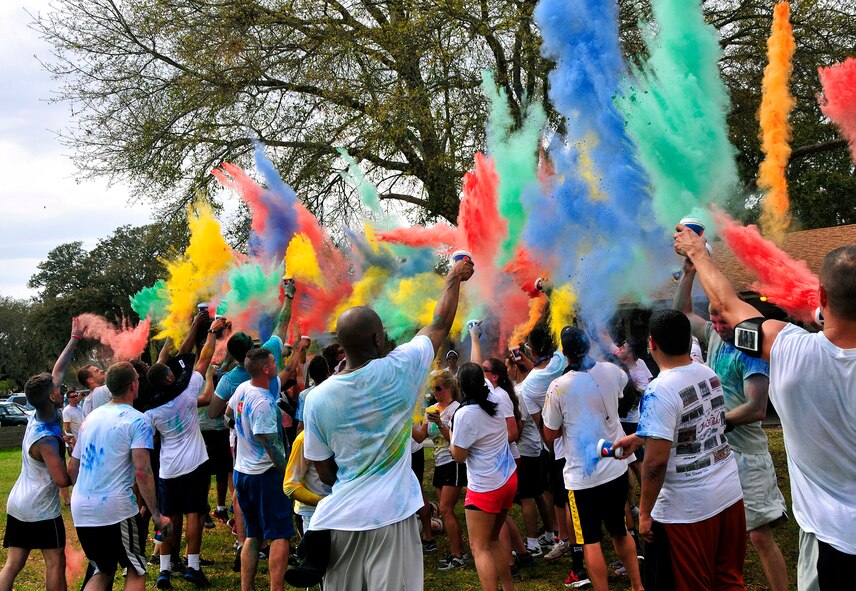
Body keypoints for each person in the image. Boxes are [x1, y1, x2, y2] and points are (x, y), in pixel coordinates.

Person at [674, 228, 856, 590]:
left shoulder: (789, 351)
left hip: (828, 539)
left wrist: (698, 253)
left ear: (823, 295)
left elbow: (728, 306)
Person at [301, 257, 473, 590]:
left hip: (339, 522)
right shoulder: (400, 370)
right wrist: (453, 277)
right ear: (379, 340)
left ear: (343, 345)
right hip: (392, 517)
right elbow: (439, 324)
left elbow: (323, 472)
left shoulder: (317, 398)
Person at [674, 257, 789, 591]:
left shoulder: (750, 351)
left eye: (722, 318)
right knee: (723, 530)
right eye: (712, 316)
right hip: (719, 453)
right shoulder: (713, 334)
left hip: (748, 457)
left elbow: (756, 408)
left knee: (759, 535)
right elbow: (681, 314)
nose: (717, 324)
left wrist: (716, 421)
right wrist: (688, 274)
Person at [616, 309, 746, 591]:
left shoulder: (658, 391)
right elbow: (696, 423)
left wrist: (645, 514)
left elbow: (655, 464)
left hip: (688, 510)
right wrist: (641, 437)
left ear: (652, 344)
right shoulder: (707, 373)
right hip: (729, 492)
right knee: (728, 580)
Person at [542, 327, 643, 591]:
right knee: (619, 530)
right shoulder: (612, 371)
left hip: (581, 477)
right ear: (588, 347)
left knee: (590, 540)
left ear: (565, 354)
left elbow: (550, 433)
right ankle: (637, 586)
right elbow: (625, 394)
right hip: (615, 469)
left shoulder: (558, 387)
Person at [70, 361, 171, 591]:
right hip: (116, 509)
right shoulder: (138, 420)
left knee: (103, 569)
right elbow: (142, 471)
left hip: (82, 508)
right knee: (136, 569)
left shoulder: (89, 419)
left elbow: (73, 469)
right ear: (133, 386)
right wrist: (157, 515)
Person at [0, 319, 82, 591]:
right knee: (55, 562)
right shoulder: (45, 437)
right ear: (51, 398)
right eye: (58, 390)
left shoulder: (41, 413)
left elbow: (57, 370)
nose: (62, 390)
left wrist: (74, 338)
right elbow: (62, 480)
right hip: (39, 509)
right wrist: (77, 452)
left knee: (14, 563)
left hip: (19, 503)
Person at [145, 314, 225, 589]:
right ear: (170, 376)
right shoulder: (188, 391)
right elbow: (203, 358)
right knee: (194, 514)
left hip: (168, 468)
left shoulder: (152, 411)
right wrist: (212, 331)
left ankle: (164, 571)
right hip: (195, 463)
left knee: (169, 517)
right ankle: (192, 566)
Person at [226, 347, 293, 591]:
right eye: (274, 361)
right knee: (279, 535)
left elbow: (228, 414)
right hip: (265, 476)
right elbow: (272, 447)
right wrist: (288, 475)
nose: (277, 363)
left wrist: (243, 438)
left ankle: (247, 588)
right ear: (266, 368)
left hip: (242, 473)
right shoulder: (263, 402)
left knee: (253, 534)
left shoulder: (244, 388)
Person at [450, 363, 517, 591]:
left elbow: (459, 456)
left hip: (485, 488)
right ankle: (509, 588)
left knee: (479, 548)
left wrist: (451, 435)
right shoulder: (495, 398)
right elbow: (475, 369)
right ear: (482, 380)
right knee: (493, 538)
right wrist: (474, 337)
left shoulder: (464, 414)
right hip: (508, 478)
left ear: (459, 386)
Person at [412, 370, 468, 570]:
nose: (435, 392)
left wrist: (441, 423)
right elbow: (420, 437)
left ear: (450, 388)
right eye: (433, 388)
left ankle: (457, 555)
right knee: (447, 512)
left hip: (453, 463)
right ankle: (459, 551)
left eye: (439, 388)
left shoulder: (457, 409)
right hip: (438, 463)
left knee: (445, 509)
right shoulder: (432, 409)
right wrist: (405, 423)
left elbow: (456, 440)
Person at [61, 386, 84, 505]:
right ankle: (70, 496)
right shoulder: (67, 410)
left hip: (82, 441)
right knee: (74, 466)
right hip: (73, 443)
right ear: (68, 398)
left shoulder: (80, 408)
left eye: (76, 395)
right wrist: (71, 442)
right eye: (73, 396)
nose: (76, 398)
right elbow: (66, 427)